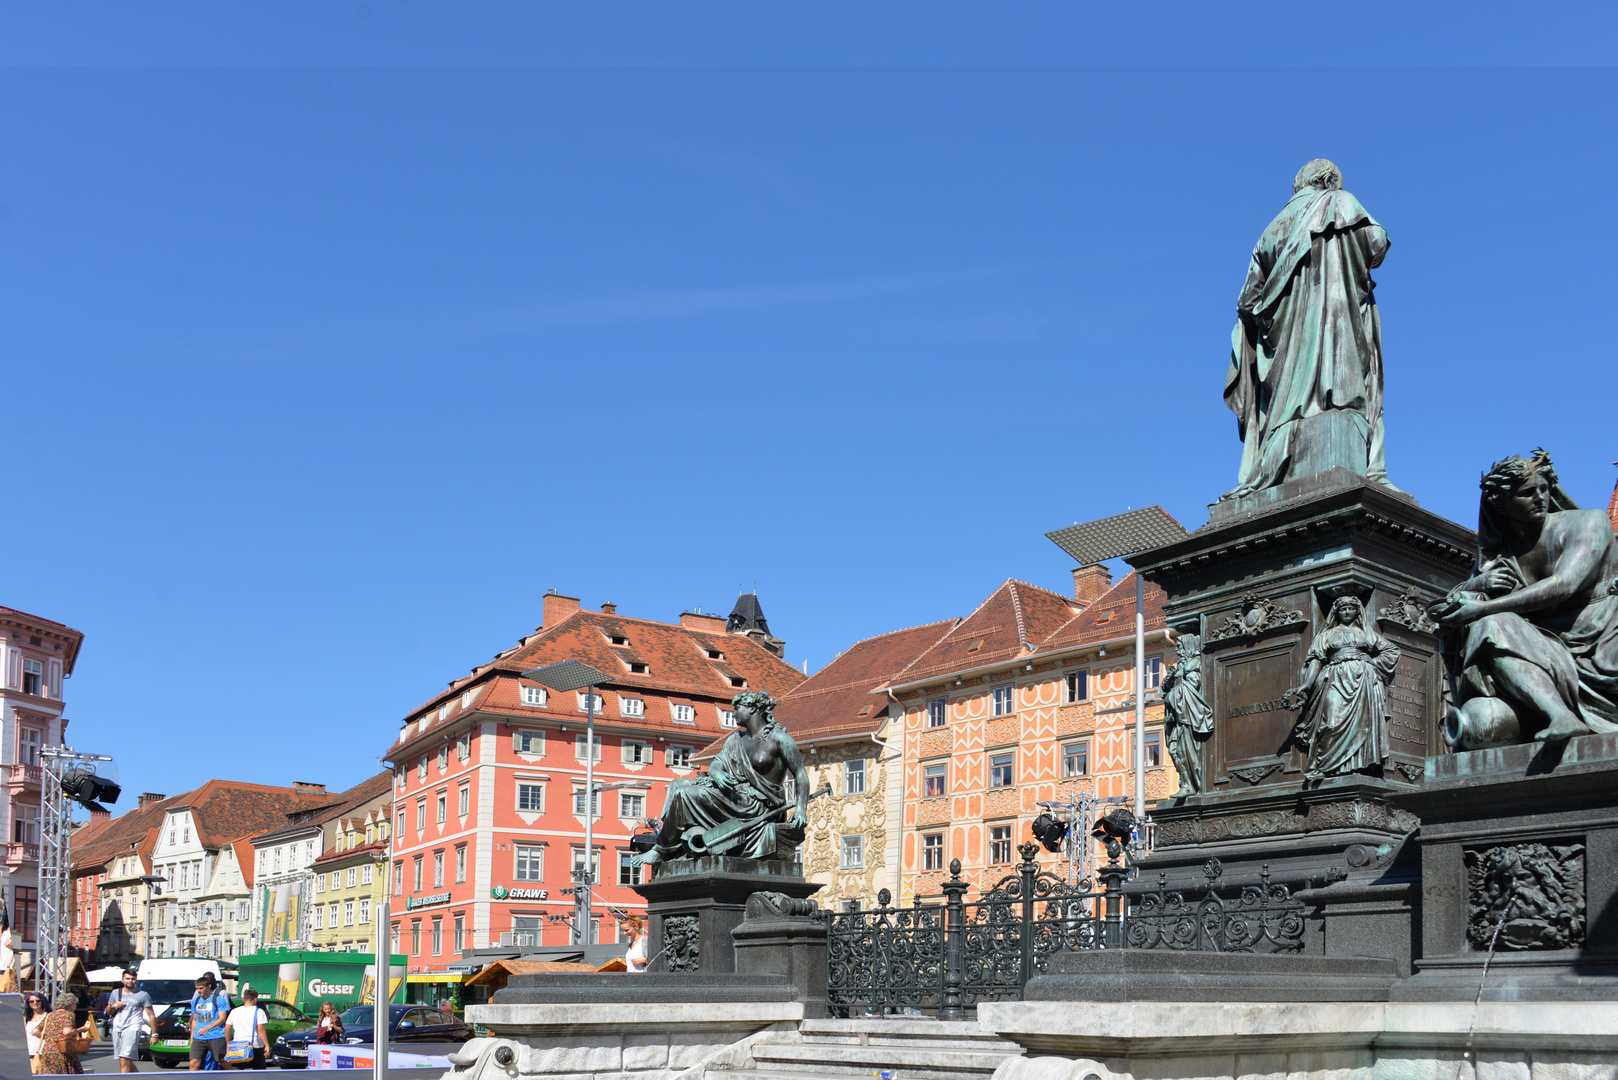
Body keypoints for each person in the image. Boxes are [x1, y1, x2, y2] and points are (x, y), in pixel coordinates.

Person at [1223, 159, 1394, 499]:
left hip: (1281, 386)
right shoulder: (1339, 201)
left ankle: (1277, 450)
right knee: (1346, 390)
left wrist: (1280, 305)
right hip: (1338, 337)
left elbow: (1247, 300)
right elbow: (1376, 244)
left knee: (1282, 413)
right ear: (1330, 181)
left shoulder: (1270, 231)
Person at [1430, 449, 1618, 745]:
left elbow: (1564, 584)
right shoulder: (1501, 557)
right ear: (1500, 503)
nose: (1540, 497)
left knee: (1488, 618)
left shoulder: (1589, 522)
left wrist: (1484, 607)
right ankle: (1560, 714)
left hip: (1601, 637)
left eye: (1544, 489)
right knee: (1491, 626)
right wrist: (1479, 582)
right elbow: (1444, 611)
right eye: (1527, 492)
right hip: (1545, 647)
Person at [631, 691, 810, 866]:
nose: (733, 714)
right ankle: (677, 844)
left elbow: (800, 774)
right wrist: (717, 773)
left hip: (755, 804)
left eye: (737, 708)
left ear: (753, 709)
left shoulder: (779, 739)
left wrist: (801, 809)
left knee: (684, 794)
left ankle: (661, 850)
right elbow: (717, 763)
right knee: (677, 784)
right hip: (734, 795)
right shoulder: (736, 740)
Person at [1285, 595, 1400, 780]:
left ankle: (1358, 767)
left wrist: (1373, 661)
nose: (1346, 612)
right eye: (1342, 609)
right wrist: (1306, 685)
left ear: (1357, 612)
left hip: (1363, 680)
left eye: (1350, 609)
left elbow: (1392, 650)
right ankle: (1327, 766)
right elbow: (1316, 659)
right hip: (1335, 678)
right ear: (1336, 612)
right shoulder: (1327, 635)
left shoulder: (1366, 633)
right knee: (1330, 722)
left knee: (1362, 726)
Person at [105, 967, 158, 1073]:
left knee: (125, 1059)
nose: (130, 981)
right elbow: (108, 1012)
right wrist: (113, 1006)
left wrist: (154, 1034)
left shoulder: (143, 995)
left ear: (136, 980)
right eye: (127, 978)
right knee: (123, 1059)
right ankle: (138, 1077)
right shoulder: (116, 993)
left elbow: (151, 1015)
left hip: (133, 1027)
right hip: (117, 1027)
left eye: (132, 979)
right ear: (122, 980)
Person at [34, 990, 93, 1076]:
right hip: (62, 1051)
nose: (75, 1006)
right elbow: (67, 1032)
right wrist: (81, 1029)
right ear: (70, 1004)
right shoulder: (68, 1015)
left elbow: (35, 1032)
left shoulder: (50, 1015)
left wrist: (50, 1038)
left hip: (48, 1051)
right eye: (75, 1004)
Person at [187, 972, 233, 1071]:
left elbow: (222, 1018)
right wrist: (192, 1036)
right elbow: (195, 1019)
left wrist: (208, 1028)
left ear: (209, 986)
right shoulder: (195, 1001)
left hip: (216, 1035)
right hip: (199, 1036)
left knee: (222, 1061)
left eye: (201, 988)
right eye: (197, 988)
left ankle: (231, 1075)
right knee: (194, 1062)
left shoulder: (218, 999)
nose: (199, 991)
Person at [226, 987, 270, 1070]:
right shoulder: (258, 1011)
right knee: (259, 1070)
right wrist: (266, 1045)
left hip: (238, 1044)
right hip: (254, 1045)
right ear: (255, 999)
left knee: (237, 1069)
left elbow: (227, 1028)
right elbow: (260, 1029)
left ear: (243, 999)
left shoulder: (234, 1011)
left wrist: (228, 1043)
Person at [23, 991, 49, 1074]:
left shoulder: (48, 1016)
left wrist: (40, 1035)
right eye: (31, 1001)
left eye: (38, 1001)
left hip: (44, 1052)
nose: (35, 1003)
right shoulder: (27, 1018)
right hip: (30, 1052)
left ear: (42, 1001)